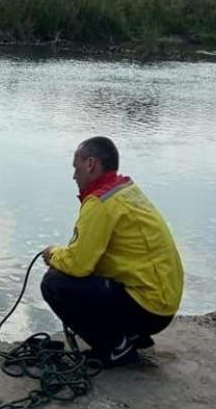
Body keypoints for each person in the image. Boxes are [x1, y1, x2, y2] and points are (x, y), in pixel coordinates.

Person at [41, 136, 184, 368]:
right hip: (163, 302)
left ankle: (115, 348)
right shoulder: (126, 189)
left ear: (90, 164)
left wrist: (53, 254)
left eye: (76, 167)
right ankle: (132, 336)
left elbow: (78, 265)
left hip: (148, 307)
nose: (74, 176)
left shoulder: (100, 202)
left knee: (54, 283)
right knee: (88, 276)